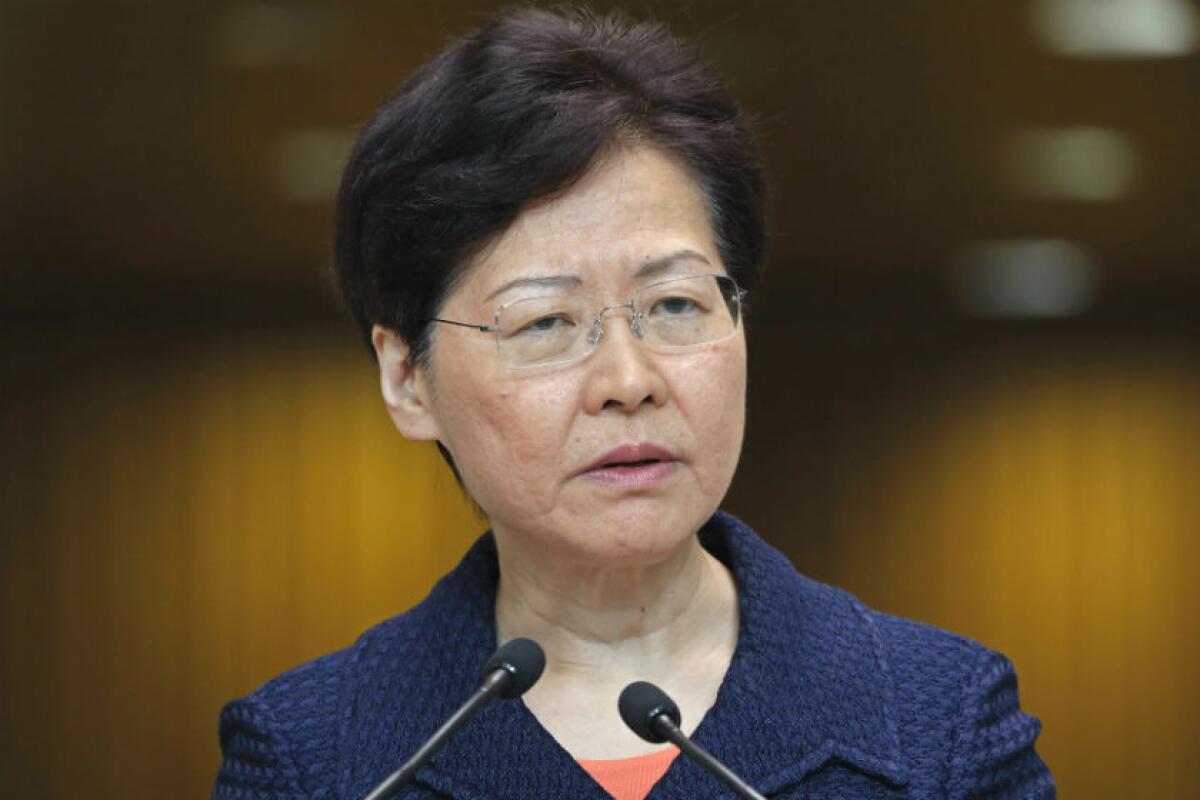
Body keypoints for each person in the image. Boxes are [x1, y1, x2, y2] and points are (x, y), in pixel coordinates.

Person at [211, 7, 1055, 799]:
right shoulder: (313, 758)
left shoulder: (941, 725)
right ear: (408, 379)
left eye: (676, 306)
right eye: (545, 321)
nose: (628, 379)